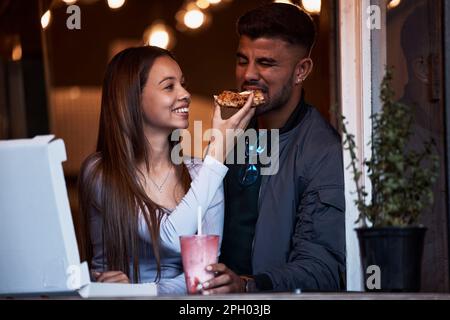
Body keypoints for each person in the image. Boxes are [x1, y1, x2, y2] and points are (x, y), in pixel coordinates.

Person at [78, 46, 255, 295]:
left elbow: (204, 275)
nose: (185, 94)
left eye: (183, 84)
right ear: (131, 98)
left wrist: (140, 292)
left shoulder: (202, 171)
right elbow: (170, 236)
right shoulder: (100, 171)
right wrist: (216, 154)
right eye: (169, 86)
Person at [200, 3, 346, 294]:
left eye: (265, 63)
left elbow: (323, 268)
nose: (249, 74)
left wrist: (247, 287)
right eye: (243, 60)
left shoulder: (324, 151)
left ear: (301, 70)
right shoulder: (229, 133)